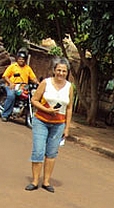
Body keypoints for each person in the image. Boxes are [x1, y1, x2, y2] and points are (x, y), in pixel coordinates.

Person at [25, 57, 73, 193]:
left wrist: (67, 127)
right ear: (54, 70)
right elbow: (34, 100)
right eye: (59, 70)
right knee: (38, 151)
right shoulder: (46, 83)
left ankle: (46, 181)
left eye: (64, 71)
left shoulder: (69, 87)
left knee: (51, 153)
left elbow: (69, 108)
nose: (61, 73)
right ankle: (35, 181)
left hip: (58, 124)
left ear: (67, 72)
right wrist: (46, 110)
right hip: (41, 121)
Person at [0, 50, 38, 122]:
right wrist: (10, 83)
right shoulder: (13, 66)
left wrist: (38, 83)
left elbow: (33, 78)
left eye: (23, 59)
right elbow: (5, 76)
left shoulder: (28, 68)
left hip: (23, 87)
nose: (21, 60)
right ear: (17, 58)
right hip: (11, 86)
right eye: (20, 58)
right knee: (11, 95)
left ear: (25, 60)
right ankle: (5, 115)